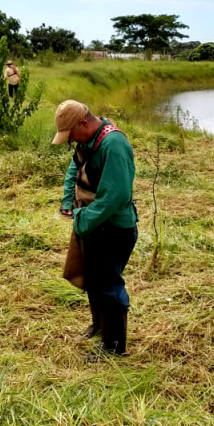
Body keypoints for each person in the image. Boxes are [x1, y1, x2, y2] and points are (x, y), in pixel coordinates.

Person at [54, 100, 137, 356]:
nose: (71, 142)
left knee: (109, 285)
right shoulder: (87, 142)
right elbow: (74, 169)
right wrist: (69, 202)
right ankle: (100, 327)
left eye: (71, 135)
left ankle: (114, 348)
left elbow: (115, 196)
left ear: (83, 123)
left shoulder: (114, 145)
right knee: (95, 279)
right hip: (93, 224)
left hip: (112, 229)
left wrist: (82, 221)